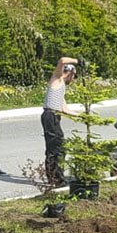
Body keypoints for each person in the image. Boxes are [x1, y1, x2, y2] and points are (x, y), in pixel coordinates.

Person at [41, 55, 82, 185]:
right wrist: (78, 61)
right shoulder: (57, 79)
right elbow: (62, 60)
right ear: (70, 72)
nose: (73, 80)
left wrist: (81, 116)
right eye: (74, 77)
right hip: (50, 115)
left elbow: (64, 109)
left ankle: (58, 175)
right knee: (55, 147)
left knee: (60, 146)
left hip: (55, 116)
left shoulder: (61, 87)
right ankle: (55, 179)